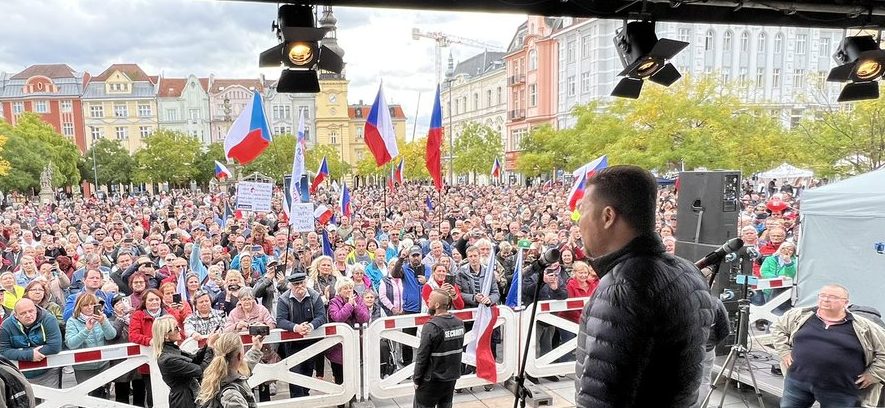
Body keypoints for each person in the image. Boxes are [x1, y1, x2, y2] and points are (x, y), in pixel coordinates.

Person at [574, 165, 715, 407]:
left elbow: (601, 399)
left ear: (608, 216)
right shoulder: (689, 271)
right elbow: (716, 333)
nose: (578, 222)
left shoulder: (622, 289)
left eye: (582, 210)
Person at [772, 284, 885, 408]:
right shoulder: (800, 315)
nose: (825, 299)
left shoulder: (863, 326)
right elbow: (778, 328)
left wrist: (875, 374)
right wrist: (784, 352)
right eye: (822, 295)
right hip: (797, 382)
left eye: (833, 297)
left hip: (840, 390)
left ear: (846, 302)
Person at [276, 272, 326, 398]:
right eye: (296, 284)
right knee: (295, 378)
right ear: (290, 286)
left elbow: (322, 316)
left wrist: (311, 326)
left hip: (311, 342)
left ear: (306, 282)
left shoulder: (315, 296)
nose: (299, 286)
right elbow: (280, 320)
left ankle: (305, 399)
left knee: (307, 375)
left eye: (302, 283)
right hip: (292, 344)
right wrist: (296, 328)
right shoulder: (283, 299)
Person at [413, 289, 465, 408]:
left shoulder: (431, 326)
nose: (428, 300)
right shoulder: (459, 323)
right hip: (451, 378)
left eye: (430, 299)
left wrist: (417, 379)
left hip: (431, 380)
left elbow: (422, 356)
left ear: (436, 305)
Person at [153, 315, 214, 408]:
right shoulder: (168, 359)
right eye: (176, 328)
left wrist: (207, 345)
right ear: (166, 336)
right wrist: (210, 347)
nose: (180, 330)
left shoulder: (171, 350)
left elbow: (195, 359)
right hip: (184, 401)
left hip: (188, 396)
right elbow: (201, 370)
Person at [0, 298, 62, 388]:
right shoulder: (6, 326)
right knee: (30, 402)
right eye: (23, 313)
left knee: (54, 400)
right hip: (20, 375)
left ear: (36, 310)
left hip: (48, 372)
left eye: (31, 311)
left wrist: (21, 352)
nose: (28, 315)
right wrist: (30, 354)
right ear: (16, 315)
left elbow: (55, 346)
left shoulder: (49, 319)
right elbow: (3, 351)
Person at [65, 292, 117, 397]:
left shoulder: (102, 317)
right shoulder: (72, 321)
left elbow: (111, 336)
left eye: (92, 304)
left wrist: (104, 323)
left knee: (103, 398)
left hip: (103, 364)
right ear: (79, 306)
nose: (89, 307)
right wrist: (86, 329)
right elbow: (71, 343)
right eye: (85, 305)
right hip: (84, 368)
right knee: (85, 399)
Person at [195, 332, 264, 408]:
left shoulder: (215, 376)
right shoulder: (231, 395)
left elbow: (245, 368)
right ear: (240, 355)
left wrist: (256, 349)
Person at [326, 278, 370, 387]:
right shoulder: (334, 302)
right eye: (345, 288)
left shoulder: (358, 300)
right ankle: (341, 401)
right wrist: (349, 305)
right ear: (339, 290)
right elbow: (337, 317)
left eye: (350, 288)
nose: (349, 290)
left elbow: (365, 318)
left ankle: (355, 396)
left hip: (355, 344)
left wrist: (355, 306)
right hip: (338, 346)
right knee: (339, 376)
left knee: (355, 374)